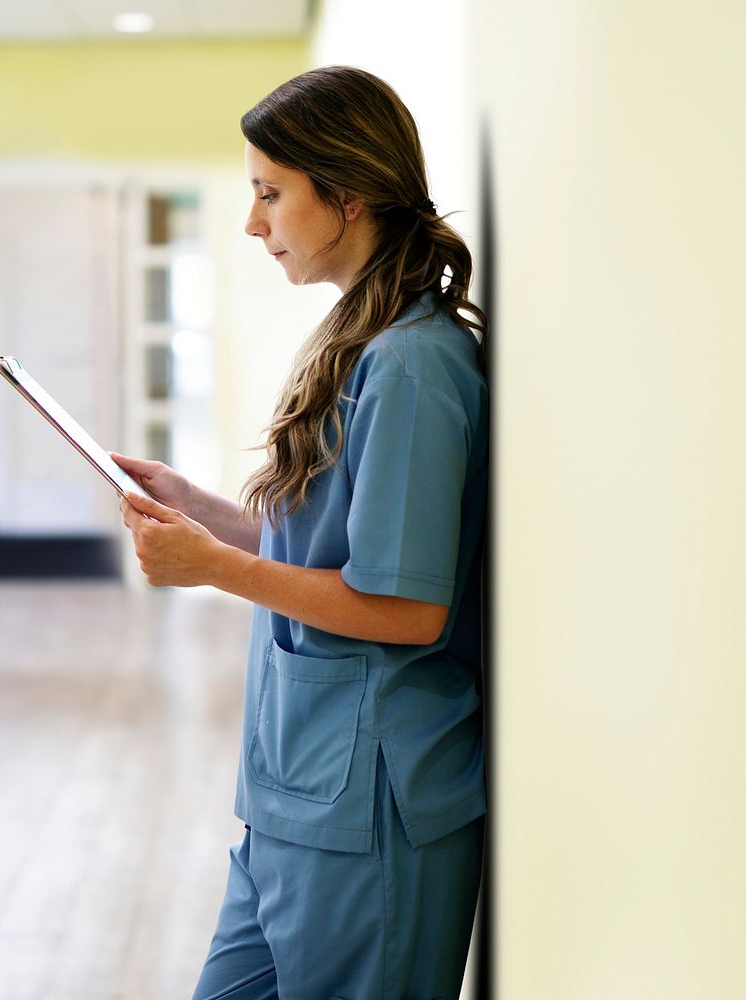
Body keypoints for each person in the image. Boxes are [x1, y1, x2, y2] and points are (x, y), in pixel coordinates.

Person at [114, 66, 489, 1000]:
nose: (254, 223)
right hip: (295, 799)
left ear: (348, 194)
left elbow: (406, 607)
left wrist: (216, 569)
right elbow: (329, 554)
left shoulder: (412, 365)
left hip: (372, 820)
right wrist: (201, 510)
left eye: (270, 193)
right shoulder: (356, 339)